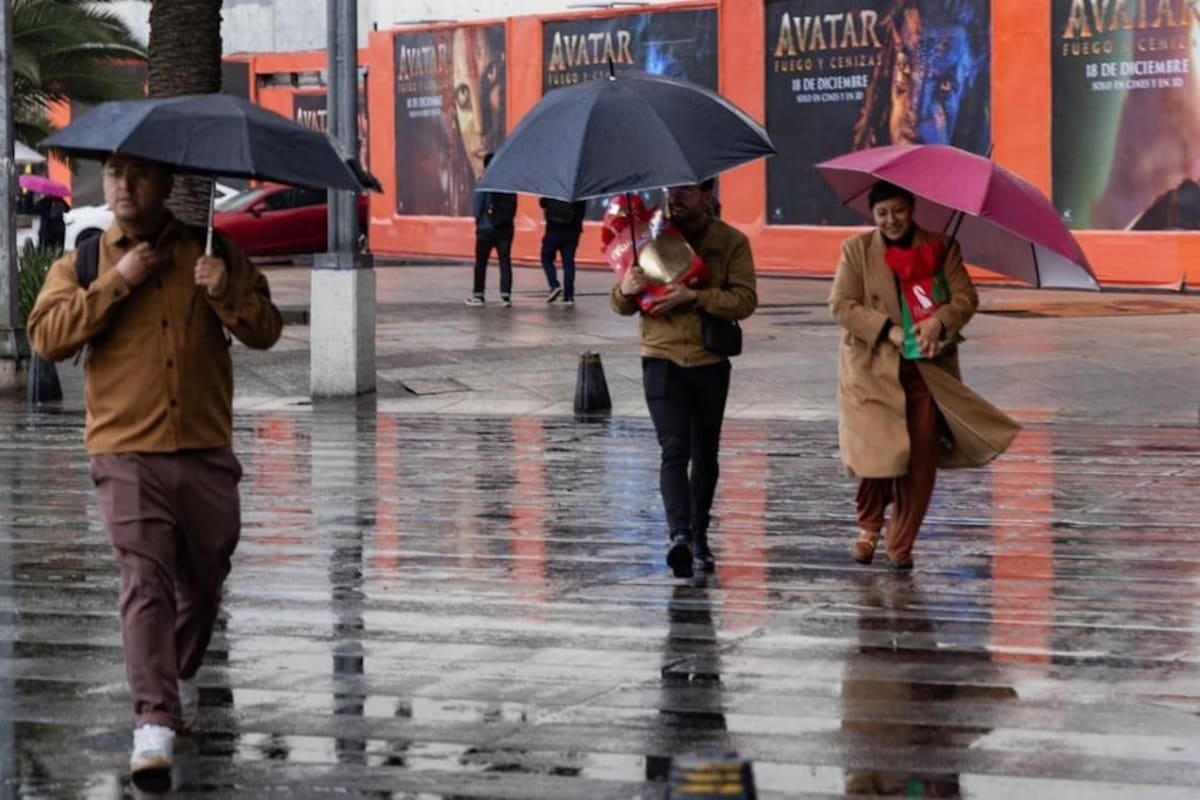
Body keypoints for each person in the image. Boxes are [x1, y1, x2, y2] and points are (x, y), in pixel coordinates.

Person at [26, 153, 282, 787]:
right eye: (113, 175)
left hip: (203, 447)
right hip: (125, 451)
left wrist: (225, 291)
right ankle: (154, 722)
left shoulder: (213, 252)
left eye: (138, 174)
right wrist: (118, 283)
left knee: (206, 578)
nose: (123, 186)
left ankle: (167, 679)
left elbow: (267, 331)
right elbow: (45, 337)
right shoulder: (82, 262)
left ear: (167, 183)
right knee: (144, 579)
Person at [829, 181, 1018, 571]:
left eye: (898, 211)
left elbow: (966, 298)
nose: (891, 220)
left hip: (926, 371)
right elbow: (842, 305)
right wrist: (888, 330)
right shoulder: (856, 251)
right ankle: (868, 528)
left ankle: (901, 543)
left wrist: (940, 321)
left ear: (911, 209)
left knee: (919, 460)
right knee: (877, 454)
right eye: (882, 213)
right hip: (872, 370)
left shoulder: (942, 247)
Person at [611, 179, 757, 578]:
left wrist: (697, 296)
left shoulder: (731, 242)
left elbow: (745, 300)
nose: (675, 197)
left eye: (687, 191)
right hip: (661, 357)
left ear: (708, 195)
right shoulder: (647, 236)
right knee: (674, 449)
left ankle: (700, 534)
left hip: (709, 360)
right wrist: (626, 290)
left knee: (705, 452)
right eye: (671, 190)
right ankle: (680, 537)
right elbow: (621, 303)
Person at [467, 152, 516, 307]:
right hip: (505, 229)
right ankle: (505, 295)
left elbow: (478, 207)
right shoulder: (508, 183)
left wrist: (479, 222)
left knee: (481, 262)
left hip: (486, 229)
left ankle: (478, 295)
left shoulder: (484, 182)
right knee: (505, 261)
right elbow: (513, 207)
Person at [539, 197, 585, 304]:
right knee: (569, 263)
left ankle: (554, 284)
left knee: (546, 257)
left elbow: (543, 203)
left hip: (553, 230)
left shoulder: (554, 188)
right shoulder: (578, 192)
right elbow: (581, 212)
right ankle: (569, 295)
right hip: (572, 232)